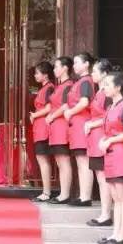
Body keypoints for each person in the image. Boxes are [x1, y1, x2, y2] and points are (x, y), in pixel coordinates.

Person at [98, 71, 123, 244]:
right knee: (115, 195)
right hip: (111, 154)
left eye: (107, 84)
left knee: (122, 196)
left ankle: (122, 235)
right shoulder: (111, 107)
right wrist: (105, 140)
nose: (104, 87)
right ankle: (116, 233)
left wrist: (111, 140)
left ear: (118, 87)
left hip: (121, 154)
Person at [84, 58, 114, 227]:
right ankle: (104, 212)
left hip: (101, 138)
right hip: (95, 139)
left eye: (95, 71)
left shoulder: (107, 95)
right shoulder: (99, 92)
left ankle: (106, 214)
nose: (92, 74)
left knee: (103, 178)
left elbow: (109, 117)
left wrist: (91, 124)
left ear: (104, 74)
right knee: (100, 177)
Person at [63, 52, 95, 207]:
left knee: (84, 162)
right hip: (76, 126)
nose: (74, 66)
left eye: (77, 62)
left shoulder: (86, 81)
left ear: (86, 64)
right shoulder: (81, 81)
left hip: (82, 123)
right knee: (80, 161)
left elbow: (84, 102)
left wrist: (70, 112)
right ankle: (83, 195)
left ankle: (86, 197)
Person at [44, 57, 74, 205]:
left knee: (63, 161)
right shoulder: (59, 86)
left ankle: (65, 194)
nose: (54, 70)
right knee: (59, 161)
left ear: (65, 68)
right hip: (55, 127)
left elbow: (65, 105)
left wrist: (52, 116)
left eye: (57, 67)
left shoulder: (68, 85)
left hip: (62, 126)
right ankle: (63, 193)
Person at [29, 62, 56, 202]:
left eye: (37, 73)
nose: (35, 75)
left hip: (43, 128)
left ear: (45, 75)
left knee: (43, 160)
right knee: (42, 159)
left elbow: (49, 108)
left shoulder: (49, 88)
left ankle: (46, 192)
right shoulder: (45, 88)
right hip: (40, 127)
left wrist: (35, 115)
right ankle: (46, 191)